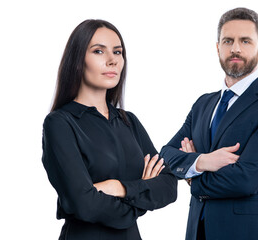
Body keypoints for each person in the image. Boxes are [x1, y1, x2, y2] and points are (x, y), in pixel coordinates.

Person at [160, 7, 258, 240]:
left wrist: (193, 176)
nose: (235, 48)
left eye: (245, 41)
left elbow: (246, 180)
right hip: (198, 232)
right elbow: (165, 155)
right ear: (217, 48)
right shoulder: (203, 104)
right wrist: (203, 161)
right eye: (228, 41)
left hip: (251, 233)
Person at [41, 19, 177, 240]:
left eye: (118, 52)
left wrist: (120, 188)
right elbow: (84, 204)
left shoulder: (129, 122)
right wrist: (141, 195)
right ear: (77, 61)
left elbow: (169, 187)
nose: (112, 60)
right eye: (98, 51)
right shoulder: (60, 123)